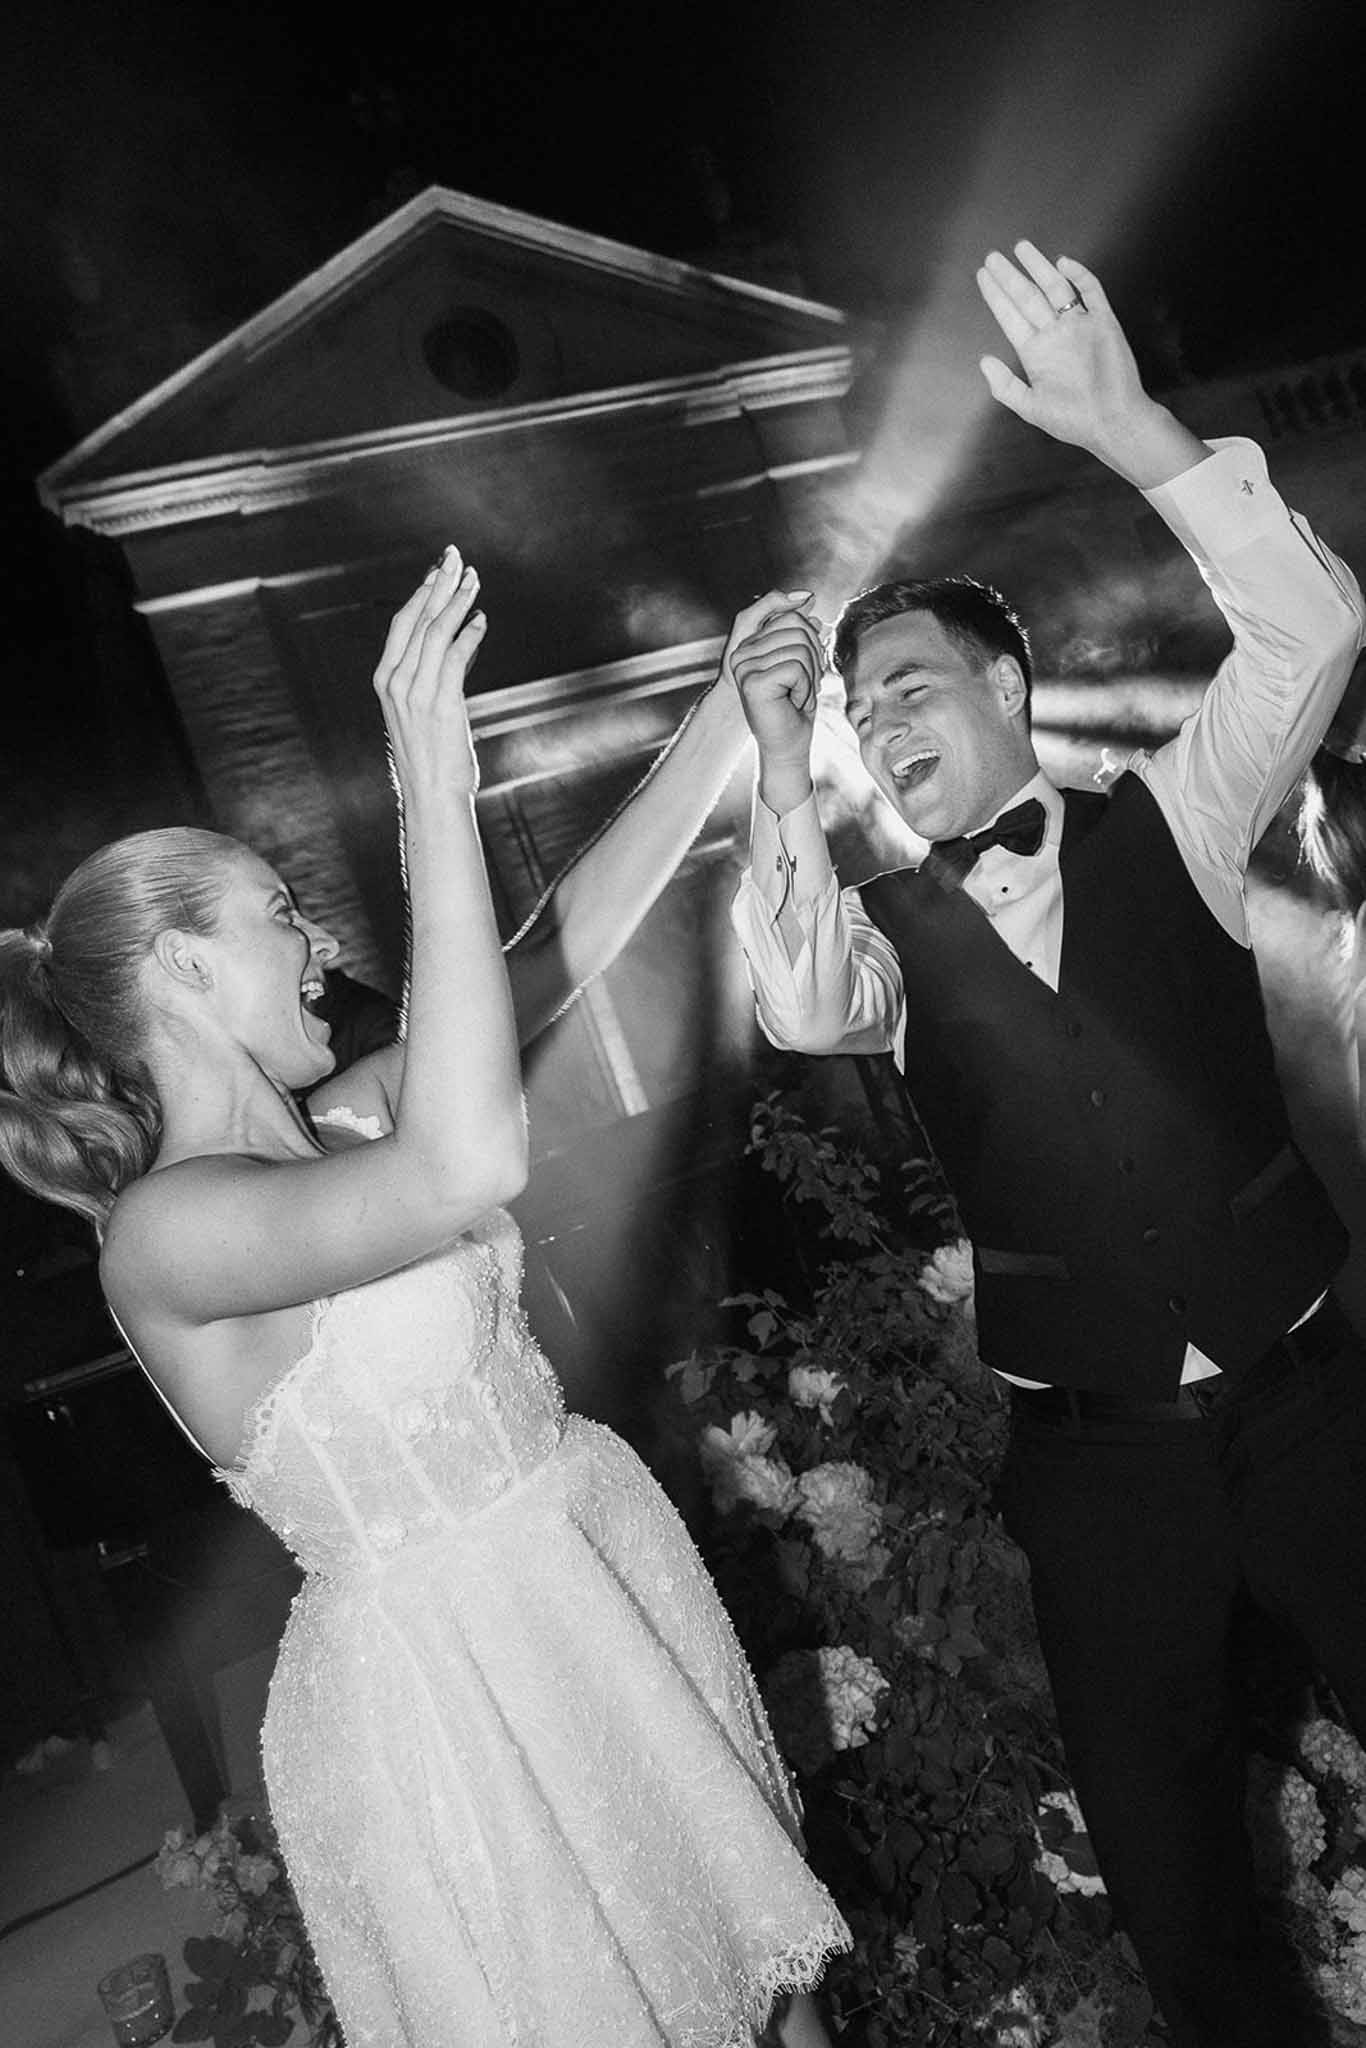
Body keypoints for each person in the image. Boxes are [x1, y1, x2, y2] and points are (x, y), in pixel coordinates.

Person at [0, 552, 850, 2048]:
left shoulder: (342, 1125)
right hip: (455, 1692)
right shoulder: (165, 1235)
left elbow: (558, 952)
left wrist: (723, 712)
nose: (318, 940)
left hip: (588, 1576)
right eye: (280, 913)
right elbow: (468, 1161)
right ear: (187, 964)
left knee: (780, 2015)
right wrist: (428, 792)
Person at [728, 240, 1366, 2048]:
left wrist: (1134, 430)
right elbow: (788, 998)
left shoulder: (1177, 807)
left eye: (910, 686)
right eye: (865, 711)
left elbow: (1310, 626)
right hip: (1096, 1481)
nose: (882, 724)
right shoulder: (880, 937)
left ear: (1010, 688)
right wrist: (784, 772)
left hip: (1312, 1406)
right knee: (1177, 1893)